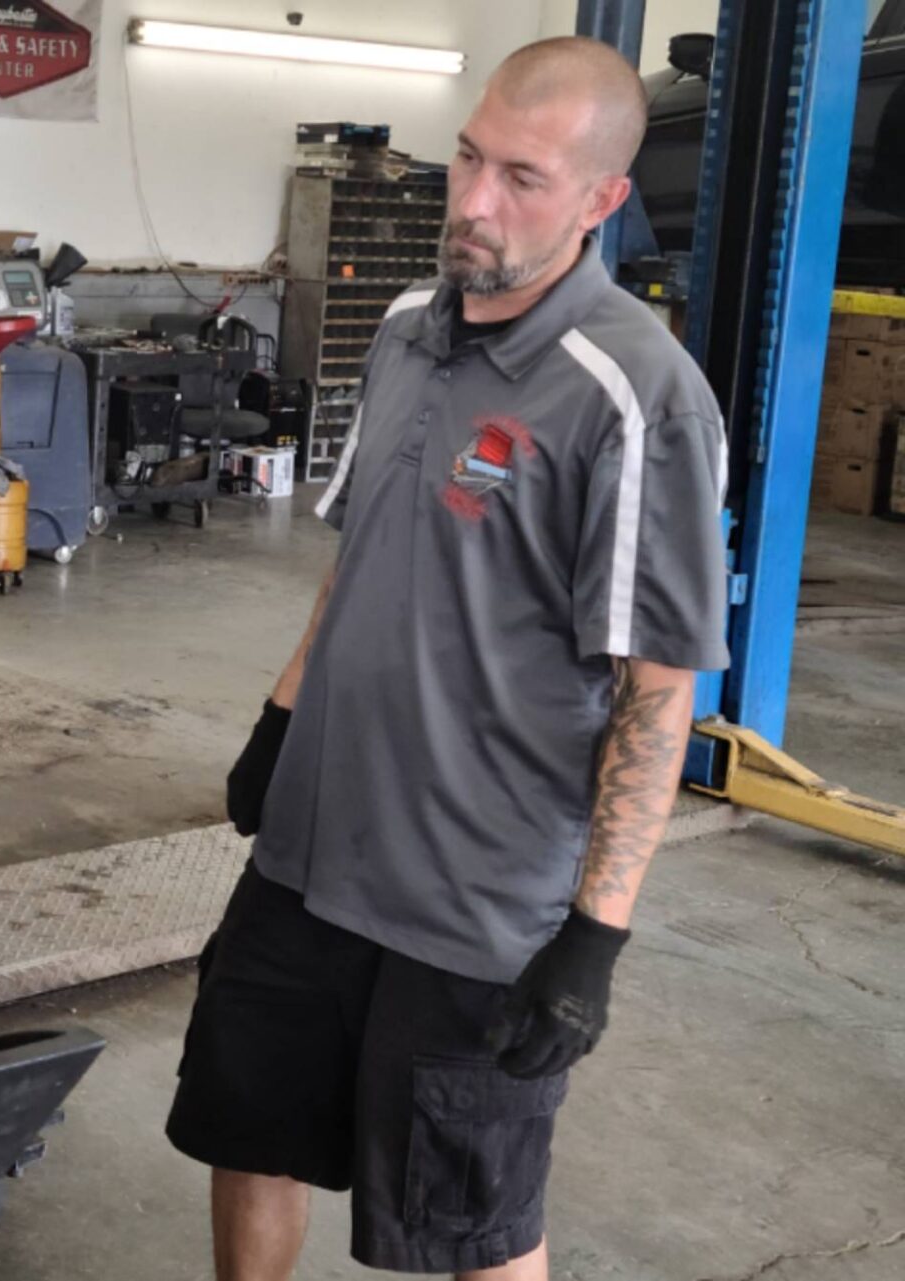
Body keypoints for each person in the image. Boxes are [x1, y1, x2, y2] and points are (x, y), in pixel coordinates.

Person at [166, 36, 730, 1281]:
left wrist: (597, 936)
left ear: (601, 201)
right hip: (312, 854)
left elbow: (658, 684)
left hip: (475, 907)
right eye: (468, 157)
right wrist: (278, 724)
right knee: (246, 1135)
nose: (473, 202)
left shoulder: (635, 397)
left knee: (470, 1226)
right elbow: (359, 555)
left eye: (521, 178)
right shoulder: (412, 326)